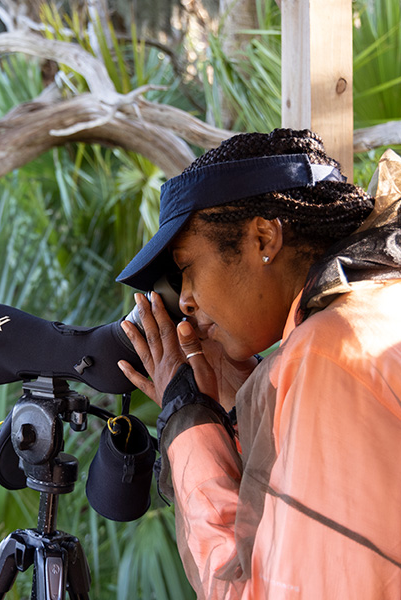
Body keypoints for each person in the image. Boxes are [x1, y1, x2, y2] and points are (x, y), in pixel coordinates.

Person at [114, 128, 401, 598]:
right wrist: (240, 398)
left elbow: (263, 588)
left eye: (186, 269)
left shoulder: (327, 356)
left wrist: (188, 423)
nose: (184, 302)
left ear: (264, 237)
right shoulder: (376, 304)